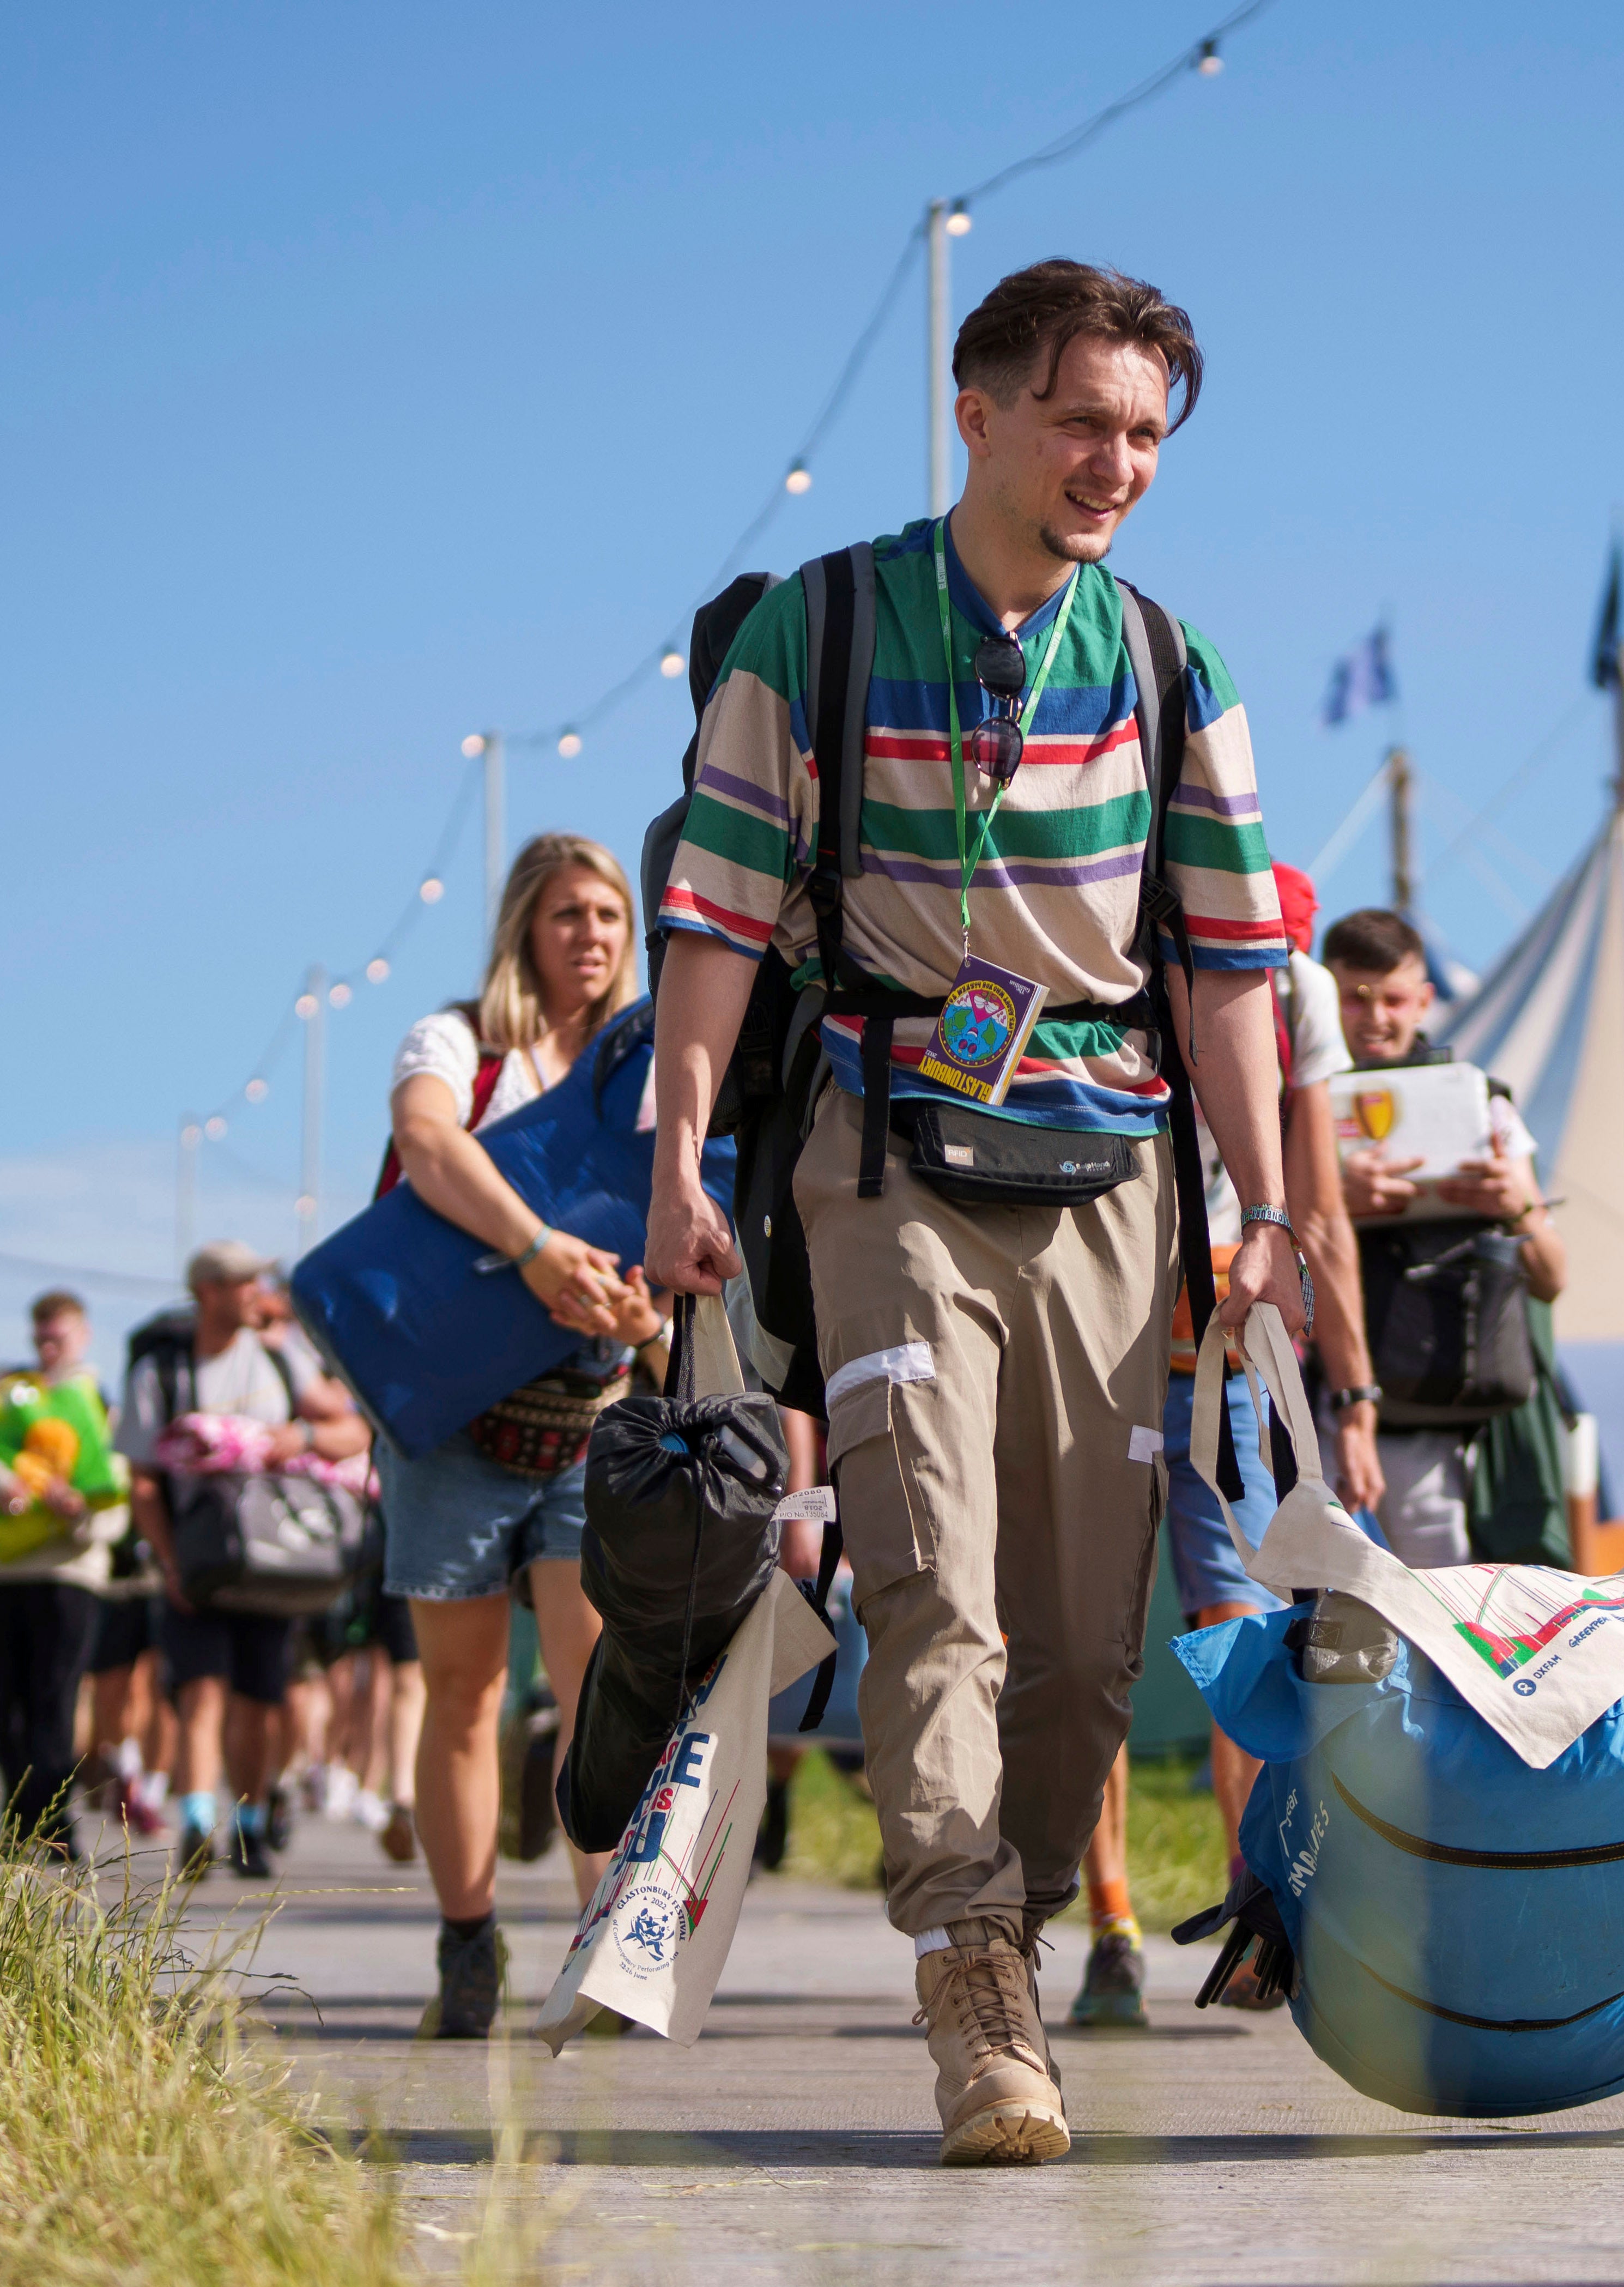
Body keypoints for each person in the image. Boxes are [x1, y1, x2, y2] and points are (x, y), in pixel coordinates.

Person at [650, 258, 1306, 2165]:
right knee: (929, 1562)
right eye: (1084, 422)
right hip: (882, 1149)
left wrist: (1272, 1210)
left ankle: (1012, 1907)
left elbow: (1232, 973)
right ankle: (969, 1967)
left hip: (1110, 1168)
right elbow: (709, 918)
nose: (1118, 462)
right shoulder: (819, 626)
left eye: (1145, 435)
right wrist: (678, 1161)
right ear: (979, 413)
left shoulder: (1183, 667)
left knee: (1089, 1634)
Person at [1072, 861, 1381, 2028]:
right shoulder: (1105, 954)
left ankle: (1256, 1909)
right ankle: (1107, 1924)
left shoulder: (1288, 982)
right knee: (1088, 1644)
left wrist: (1349, 1394)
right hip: (1103, 1349)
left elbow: (1321, 1209)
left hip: (1227, 1374)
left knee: (1242, 1647)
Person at [378, 830, 666, 2038]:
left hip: (588, 1416)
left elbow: (673, 1209)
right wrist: (538, 1249)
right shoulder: (459, 1041)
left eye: (607, 914)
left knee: (593, 1685)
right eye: (567, 914)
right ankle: (467, 1941)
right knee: (461, 1690)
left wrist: (652, 1312)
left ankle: (604, 1954)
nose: (591, 934)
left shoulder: (647, 1061)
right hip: (452, 1412)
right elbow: (424, 1141)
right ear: (523, 928)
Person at [1319, 906, 1567, 1563]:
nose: (1376, 1017)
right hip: (1324, 1403)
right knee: (1332, 1628)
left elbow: (1551, 1276)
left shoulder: (1483, 1101)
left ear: (1424, 998)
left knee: (1454, 1622)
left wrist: (1516, 1206)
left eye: (1393, 998)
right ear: (1325, 995)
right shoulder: (1293, 1104)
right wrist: (1328, 1204)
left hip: (1443, 1417)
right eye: (1355, 998)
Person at [119, 1243, 371, 1879]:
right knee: (200, 1693)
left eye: (257, 1280)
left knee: (260, 1700)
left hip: (271, 1561)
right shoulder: (162, 1371)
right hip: (199, 1560)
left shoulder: (281, 1357)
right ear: (207, 1289)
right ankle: (199, 1821)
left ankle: (251, 1823)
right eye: (241, 1282)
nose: (256, 1292)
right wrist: (170, 1560)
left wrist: (302, 1436)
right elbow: (142, 1480)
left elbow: (352, 1432)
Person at [0, 1291, 135, 1855]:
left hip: (71, 1571)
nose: (48, 1348)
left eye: (60, 1337)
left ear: (84, 1334)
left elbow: (117, 1485)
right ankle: (17, 1817)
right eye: (41, 1338)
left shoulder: (100, 1402)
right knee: (8, 1699)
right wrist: (3, 1481)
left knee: (55, 1697)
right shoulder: (4, 1391)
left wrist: (82, 1516)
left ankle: (55, 1820)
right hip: (1, 1569)